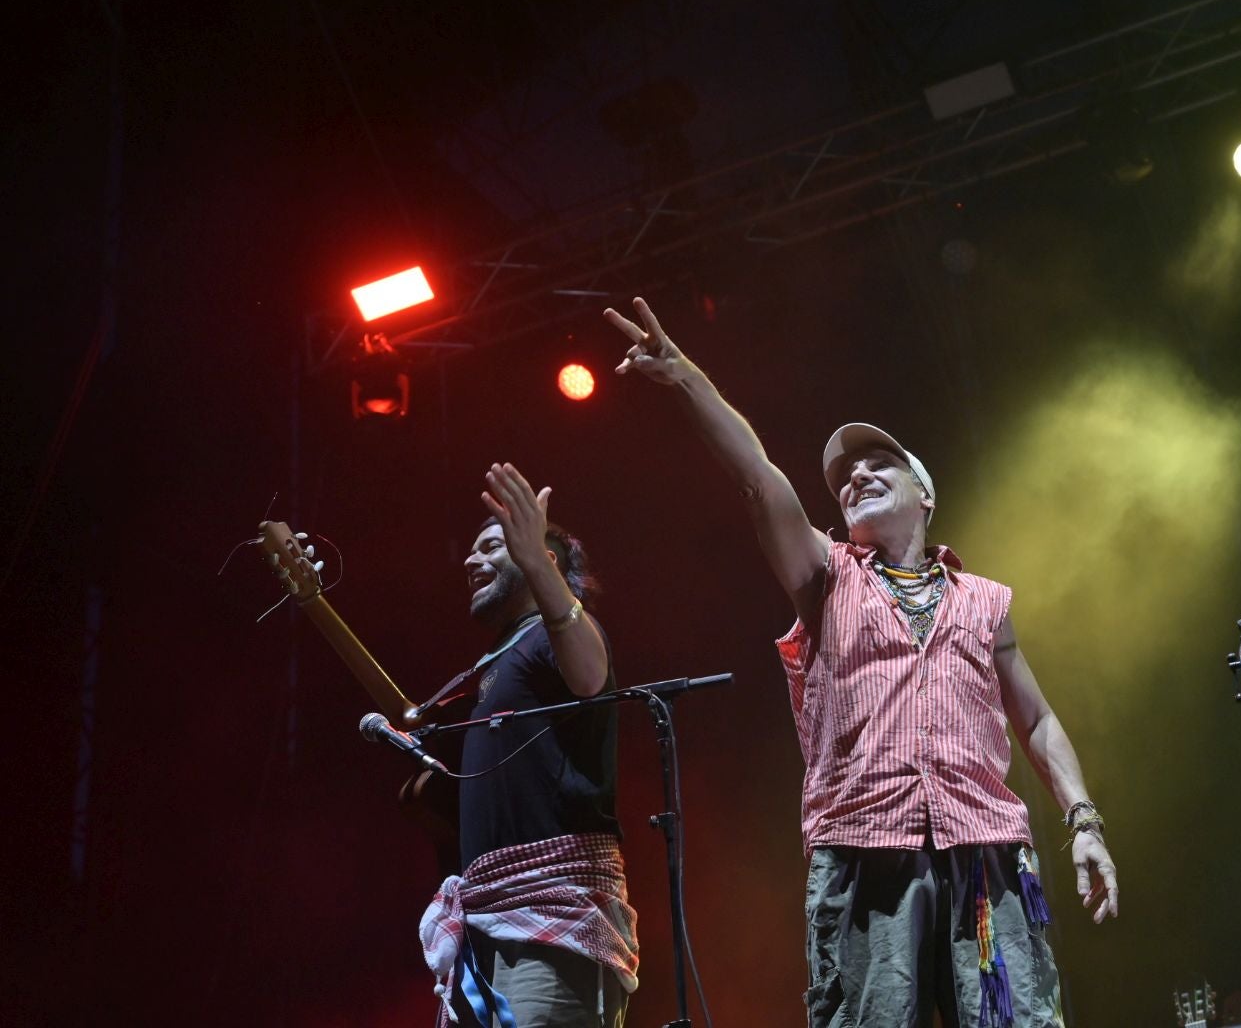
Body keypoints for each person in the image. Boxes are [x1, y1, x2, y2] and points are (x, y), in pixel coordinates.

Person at [605, 299, 1118, 1028]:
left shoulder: (986, 602)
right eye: (846, 476)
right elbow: (758, 479)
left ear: (926, 495)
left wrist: (1084, 820)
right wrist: (686, 378)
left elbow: (1035, 720)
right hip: (865, 849)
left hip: (987, 858)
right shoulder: (826, 574)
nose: (857, 476)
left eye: (881, 464)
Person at [410, 462, 639, 1028]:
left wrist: (533, 559)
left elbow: (588, 676)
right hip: (486, 924)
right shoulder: (494, 664)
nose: (470, 560)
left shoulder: (553, 635)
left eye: (494, 545)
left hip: (551, 918)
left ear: (545, 560)